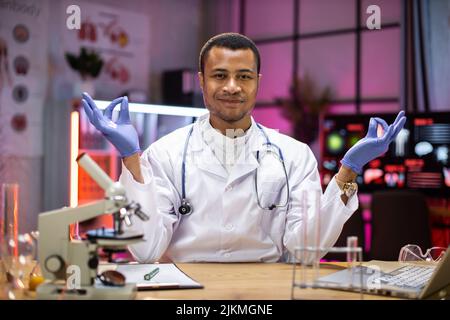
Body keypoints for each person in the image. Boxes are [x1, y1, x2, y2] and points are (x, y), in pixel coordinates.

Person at [81, 33, 406, 263]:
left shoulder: (293, 155)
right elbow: (147, 249)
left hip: (267, 290)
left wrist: (348, 170)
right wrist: (131, 158)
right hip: (187, 291)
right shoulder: (164, 153)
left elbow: (307, 249)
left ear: (257, 82)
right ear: (202, 82)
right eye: (219, 75)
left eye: (244, 76)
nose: (232, 87)